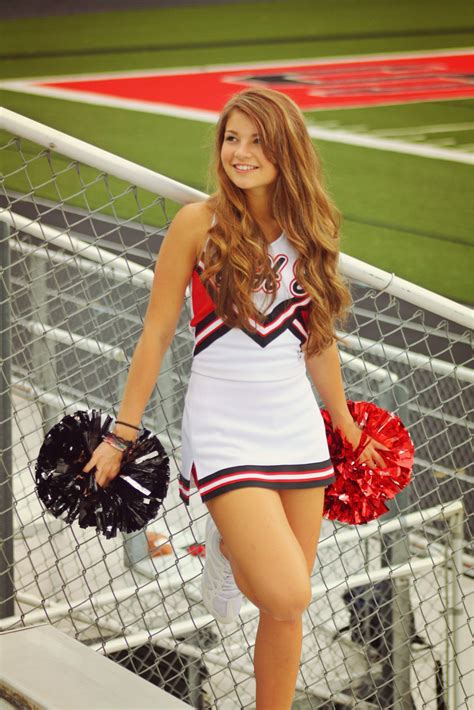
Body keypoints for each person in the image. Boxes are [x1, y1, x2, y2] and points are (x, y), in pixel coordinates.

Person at [82, 87, 389, 710]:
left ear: (286, 151)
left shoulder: (310, 229)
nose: (239, 153)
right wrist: (123, 431)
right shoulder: (199, 224)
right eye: (231, 138)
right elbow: (157, 330)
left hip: (294, 422)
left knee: (284, 609)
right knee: (288, 593)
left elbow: (319, 340)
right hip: (223, 422)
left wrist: (346, 424)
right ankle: (223, 543)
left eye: (255, 140)